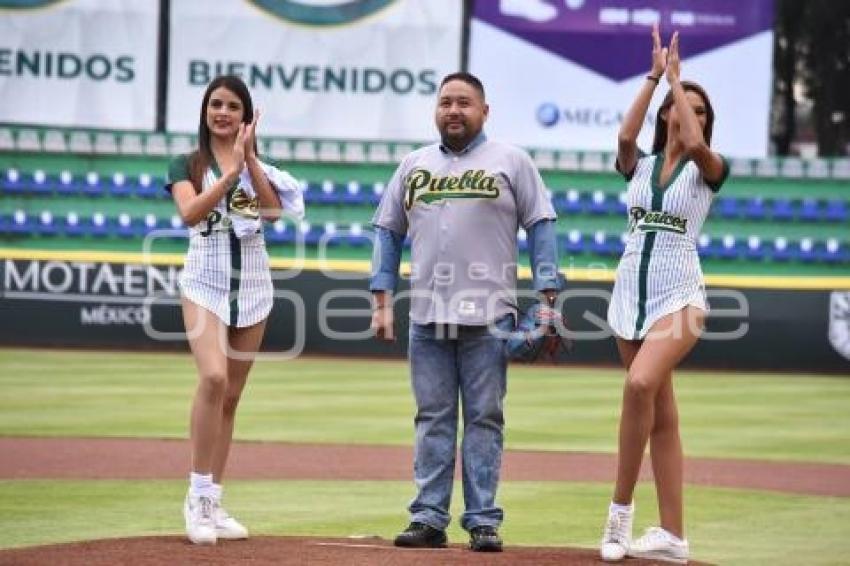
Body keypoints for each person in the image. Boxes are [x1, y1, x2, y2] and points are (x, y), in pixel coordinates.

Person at [370, 72, 562, 553]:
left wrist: (548, 297)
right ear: (436, 111)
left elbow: (541, 226)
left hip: (491, 316)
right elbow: (387, 231)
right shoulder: (414, 164)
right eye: (445, 102)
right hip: (427, 316)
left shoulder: (512, 161)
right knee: (432, 418)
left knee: (484, 420)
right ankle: (428, 518)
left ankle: (482, 521)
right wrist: (381, 300)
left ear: (484, 110)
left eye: (464, 102)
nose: (453, 110)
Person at [600, 26, 729, 563]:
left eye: (699, 108)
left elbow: (697, 145)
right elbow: (626, 141)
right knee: (663, 414)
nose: (689, 114)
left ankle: (618, 518)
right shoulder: (644, 167)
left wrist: (679, 81)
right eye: (683, 106)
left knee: (641, 383)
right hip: (631, 291)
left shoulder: (707, 169)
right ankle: (673, 535)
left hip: (681, 294)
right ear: (665, 113)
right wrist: (655, 77)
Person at [165, 75, 303, 545]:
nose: (222, 112)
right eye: (215, 104)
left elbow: (271, 214)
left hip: (254, 286)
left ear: (246, 116)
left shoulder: (256, 165)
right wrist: (227, 176)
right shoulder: (188, 162)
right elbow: (190, 213)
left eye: (231, 106)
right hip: (204, 281)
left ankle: (215, 500)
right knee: (214, 378)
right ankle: (197, 495)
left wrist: (250, 162)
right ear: (205, 111)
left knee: (232, 396)